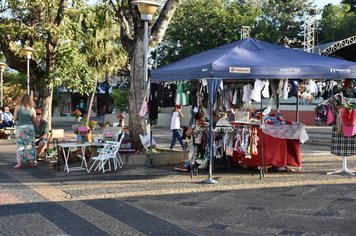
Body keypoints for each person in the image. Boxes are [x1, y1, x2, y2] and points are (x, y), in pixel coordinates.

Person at [13, 94, 36, 168]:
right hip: (29, 127)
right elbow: (34, 120)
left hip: (20, 128)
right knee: (29, 145)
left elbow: (15, 118)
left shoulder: (17, 107)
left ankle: (19, 163)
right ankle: (31, 161)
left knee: (20, 145)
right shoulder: (32, 109)